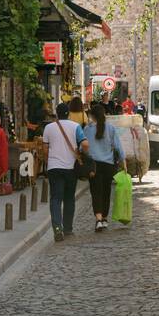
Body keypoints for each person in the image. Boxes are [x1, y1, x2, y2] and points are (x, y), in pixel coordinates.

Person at [42, 103, 88, 242]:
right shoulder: (75, 127)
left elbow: (45, 149)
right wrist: (81, 153)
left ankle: (57, 228)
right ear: (68, 114)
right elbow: (85, 144)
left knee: (55, 198)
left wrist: (48, 160)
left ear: (57, 113)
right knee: (69, 198)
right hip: (70, 168)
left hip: (54, 168)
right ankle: (67, 228)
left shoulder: (48, 128)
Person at [85, 101, 126, 232]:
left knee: (96, 192)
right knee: (106, 191)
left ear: (92, 116)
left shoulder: (87, 129)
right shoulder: (111, 128)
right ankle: (104, 218)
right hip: (108, 165)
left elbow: (83, 147)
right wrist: (123, 162)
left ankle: (98, 220)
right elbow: (118, 147)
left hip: (94, 165)